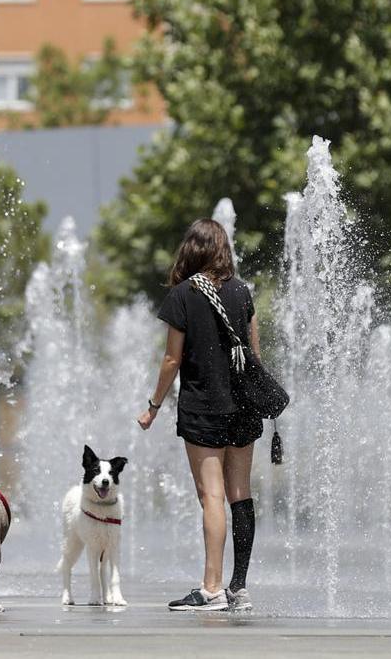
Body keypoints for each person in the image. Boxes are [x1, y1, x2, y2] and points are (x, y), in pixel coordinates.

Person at [137, 218, 260, 613]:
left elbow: (172, 359)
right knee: (239, 496)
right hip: (243, 406)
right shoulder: (243, 293)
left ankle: (211, 589)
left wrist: (153, 406)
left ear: (191, 249)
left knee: (212, 497)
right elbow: (255, 356)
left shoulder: (183, 295)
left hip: (204, 408)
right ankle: (238, 588)